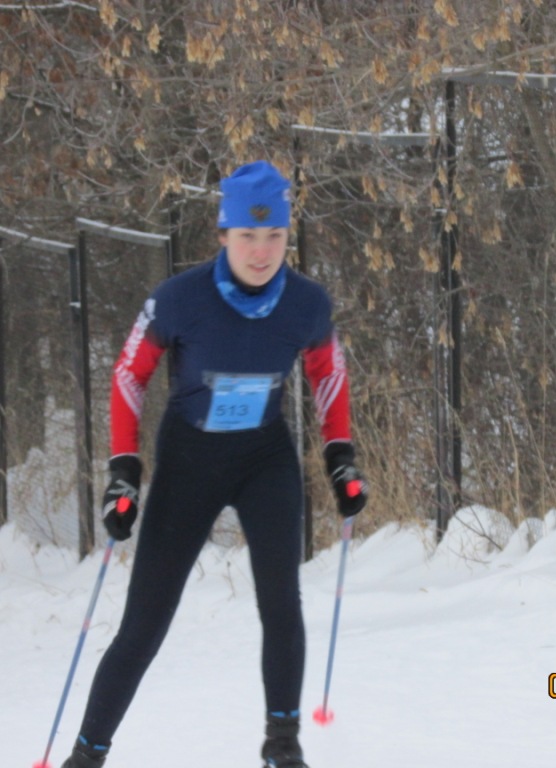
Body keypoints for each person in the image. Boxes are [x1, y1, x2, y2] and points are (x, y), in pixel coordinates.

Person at [61, 161, 368, 768]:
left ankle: (283, 746)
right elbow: (129, 375)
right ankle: (86, 755)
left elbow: (327, 370)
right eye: (248, 235)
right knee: (144, 624)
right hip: (189, 462)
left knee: (281, 603)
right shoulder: (179, 299)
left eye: (275, 236)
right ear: (223, 234)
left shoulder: (305, 303)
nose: (262, 251)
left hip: (264, 460)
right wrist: (124, 468)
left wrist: (340, 455)